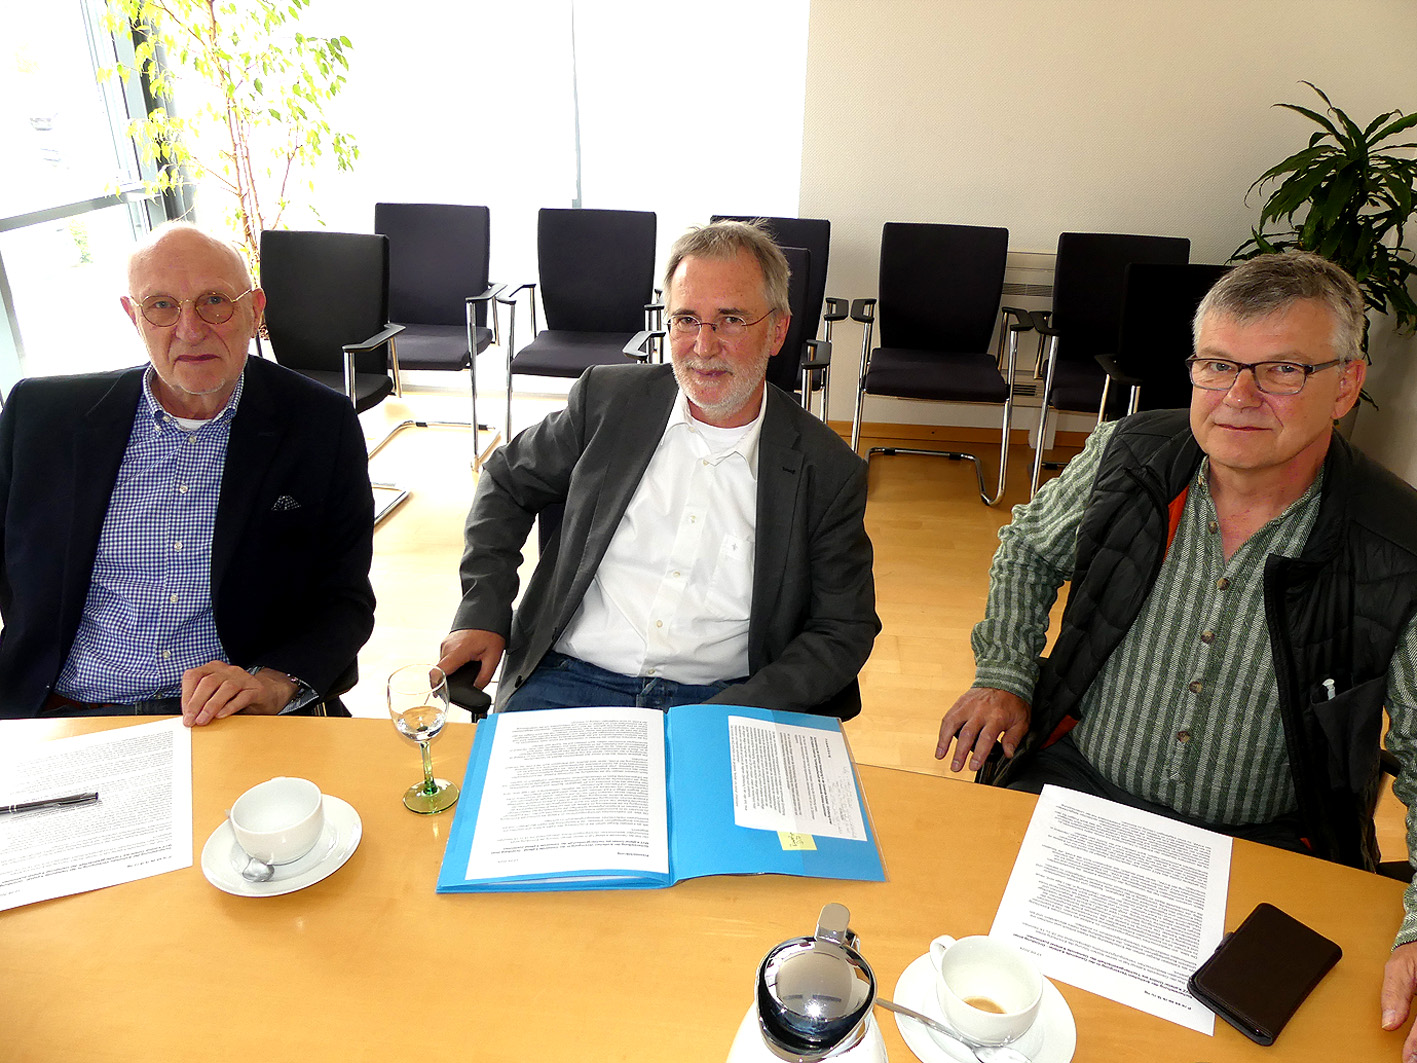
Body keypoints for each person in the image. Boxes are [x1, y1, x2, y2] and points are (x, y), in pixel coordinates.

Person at [931, 250, 1417, 1058]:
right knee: (986, 993)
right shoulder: (1126, 455)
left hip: (1269, 842)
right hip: (1077, 785)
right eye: (1217, 364)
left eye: (1281, 369)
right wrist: (1005, 673)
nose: (1237, 396)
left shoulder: (1395, 544)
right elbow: (1026, 549)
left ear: (1344, 384)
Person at [437, 220, 878, 717]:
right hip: (570, 676)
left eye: (731, 320)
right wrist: (482, 610)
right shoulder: (608, 402)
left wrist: (739, 709)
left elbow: (844, 627)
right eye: (686, 319)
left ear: (777, 331)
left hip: (724, 696)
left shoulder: (827, 470)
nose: (703, 346)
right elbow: (505, 480)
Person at [0, 222, 376, 726]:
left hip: (233, 715)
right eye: (161, 305)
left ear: (255, 310)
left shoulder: (320, 424)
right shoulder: (42, 417)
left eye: (214, 301)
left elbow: (344, 598)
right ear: (133, 316)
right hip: (64, 713)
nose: (191, 330)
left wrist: (273, 682)